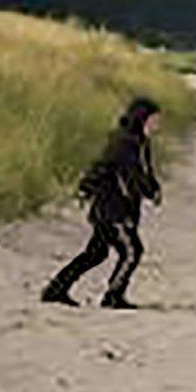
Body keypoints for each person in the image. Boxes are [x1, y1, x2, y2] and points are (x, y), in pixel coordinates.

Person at [41, 97, 162, 310]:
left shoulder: (140, 143)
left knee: (96, 253)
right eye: (153, 120)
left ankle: (56, 289)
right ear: (141, 119)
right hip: (112, 210)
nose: (156, 125)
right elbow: (128, 175)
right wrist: (150, 192)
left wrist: (153, 189)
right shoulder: (126, 143)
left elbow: (144, 172)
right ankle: (113, 295)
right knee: (132, 251)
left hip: (114, 208)